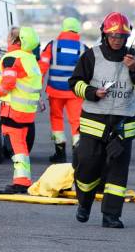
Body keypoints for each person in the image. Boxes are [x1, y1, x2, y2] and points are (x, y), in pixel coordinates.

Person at [69, 12, 135, 229]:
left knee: (117, 172)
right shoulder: (91, 56)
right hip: (94, 123)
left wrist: (134, 70)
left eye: (121, 36)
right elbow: (75, 82)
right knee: (88, 166)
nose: (117, 40)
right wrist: (91, 92)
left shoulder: (134, 58)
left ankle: (111, 216)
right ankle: (85, 203)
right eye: (113, 35)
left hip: (122, 125)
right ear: (105, 35)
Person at [0, 26, 42, 193]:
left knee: (16, 147)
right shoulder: (29, 58)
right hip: (26, 111)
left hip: (12, 110)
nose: (6, 41)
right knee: (21, 146)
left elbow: (8, 82)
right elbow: (19, 76)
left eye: (8, 38)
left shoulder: (11, 57)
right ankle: (24, 179)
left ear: (14, 40)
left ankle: (21, 182)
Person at [38, 17, 86, 163]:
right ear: (77, 29)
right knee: (76, 121)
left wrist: (37, 90)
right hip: (75, 93)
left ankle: (60, 153)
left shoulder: (52, 46)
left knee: (56, 120)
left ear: (63, 29)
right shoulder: (83, 48)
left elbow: (42, 68)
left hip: (55, 91)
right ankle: (78, 154)